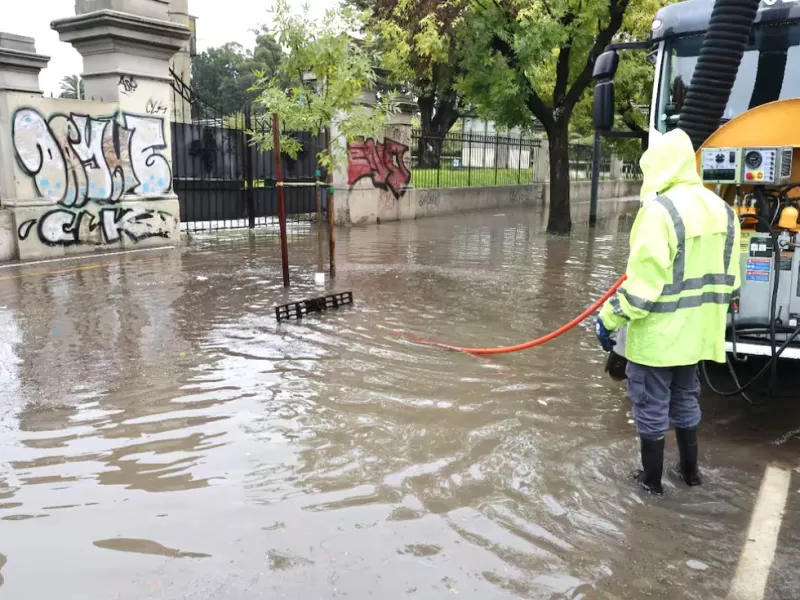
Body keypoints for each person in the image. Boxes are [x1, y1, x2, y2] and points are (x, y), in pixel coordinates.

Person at [595, 128, 741, 495]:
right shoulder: (724, 211)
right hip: (697, 338)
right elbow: (732, 283)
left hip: (659, 339)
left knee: (651, 406)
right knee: (686, 399)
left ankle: (651, 485)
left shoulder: (659, 213)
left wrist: (608, 319)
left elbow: (641, 290)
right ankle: (691, 475)